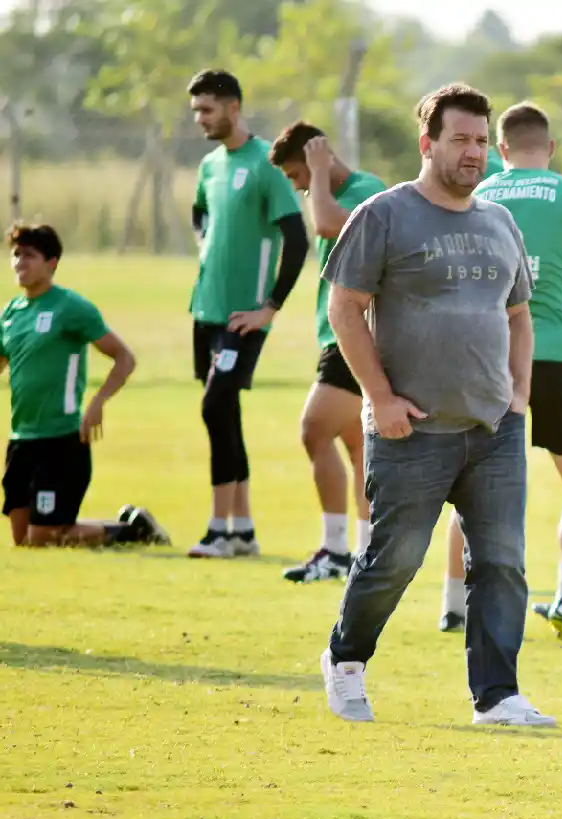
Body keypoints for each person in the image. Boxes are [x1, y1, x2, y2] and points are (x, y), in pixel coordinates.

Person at [318, 83, 554, 727]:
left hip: (494, 428)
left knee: (502, 563)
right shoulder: (384, 215)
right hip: (410, 430)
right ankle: (344, 660)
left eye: (482, 140)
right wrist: (380, 397)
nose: (475, 152)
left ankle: (498, 697)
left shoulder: (500, 220)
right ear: (428, 144)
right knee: (394, 558)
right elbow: (345, 307)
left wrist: (519, 394)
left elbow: (519, 314)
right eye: (461, 139)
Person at [438, 102, 562, 643]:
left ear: (500, 149)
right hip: (556, 352)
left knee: (471, 481)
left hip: (487, 353)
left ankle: (453, 604)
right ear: (550, 149)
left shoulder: (480, 193)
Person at [186, 68, 309, 559]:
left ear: (234, 107)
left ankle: (218, 529)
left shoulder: (265, 165)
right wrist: (207, 245)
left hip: (243, 318)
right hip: (205, 310)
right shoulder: (210, 165)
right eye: (195, 111)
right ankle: (243, 532)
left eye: (207, 110)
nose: (200, 119)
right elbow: (199, 213)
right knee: (224, 415)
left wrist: (270, 308)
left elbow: (297, 240)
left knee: (214, 407)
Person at [268, 121, 388, 583]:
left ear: (317, 157)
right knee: (358, 447)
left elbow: (328, 223)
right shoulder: (322, 191)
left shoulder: (368, 188)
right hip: (333, 333)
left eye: (296, 174)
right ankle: (359, 554)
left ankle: (337, 550)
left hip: (354, 332)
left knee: (314, 428)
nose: (298, 185)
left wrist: (317, 173)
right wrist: (315, 177)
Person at [1, 223, 169, 548]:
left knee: (43, 538)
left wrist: (97, 402)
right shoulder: (10, 313)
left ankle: (133, 531)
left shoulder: (70, 307)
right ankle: (129, 525)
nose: (20, 262)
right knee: (22, 538)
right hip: (21, 439)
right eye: (16, 255)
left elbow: (124, 357)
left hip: (61, 440)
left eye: (30, 255)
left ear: (52, 263)